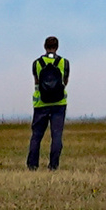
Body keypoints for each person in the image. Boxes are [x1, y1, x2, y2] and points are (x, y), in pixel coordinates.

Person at [28, 36, 71, 170]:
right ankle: (53, 165)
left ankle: (32, 165)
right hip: (59, 103)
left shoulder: (37, 63)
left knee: (36, 136)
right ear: (57, 47)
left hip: (41, 103)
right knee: (57, 135)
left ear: (44, 46)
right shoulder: (64, 62)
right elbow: (65, 80)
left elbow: (36, 81)